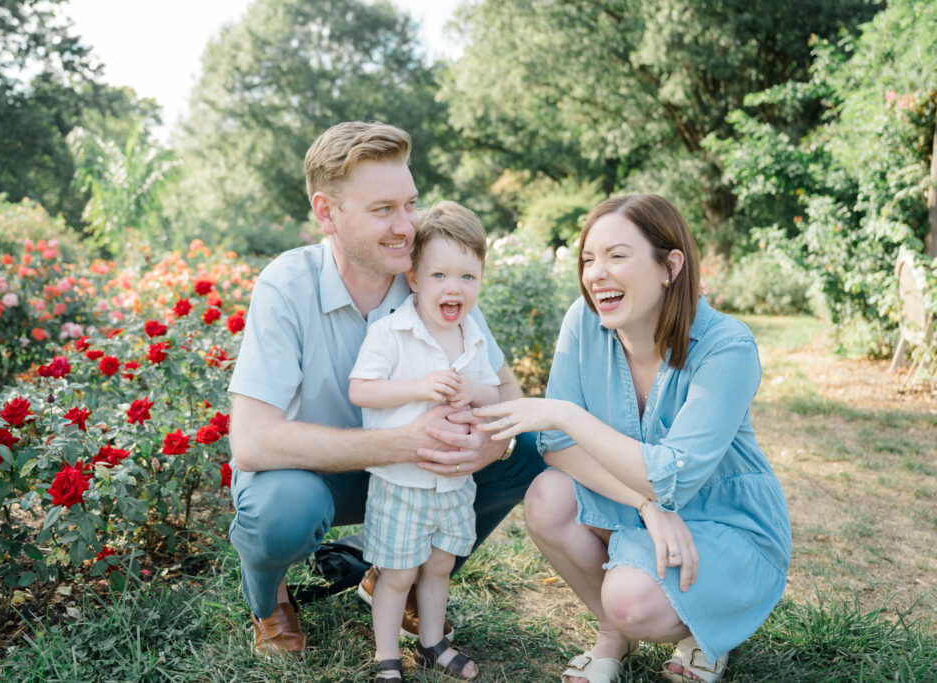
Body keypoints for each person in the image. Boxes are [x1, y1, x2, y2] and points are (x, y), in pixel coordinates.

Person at [226, 121, 544, 661]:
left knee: (527, 453)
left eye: (411, 204)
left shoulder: (431, 276)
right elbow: (253, 443)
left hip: (413, 475)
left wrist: (490, 443)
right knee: (282, 510)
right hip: (311, 476)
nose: (407, 227)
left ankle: (403, 574)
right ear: (326, 212)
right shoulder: (286, 285)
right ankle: (270, 600)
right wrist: (406, 442)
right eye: (383, 211)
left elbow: (508, 395)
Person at [476, 194, 791, 683]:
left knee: (631, 599)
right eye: (588, 259)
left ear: (670, 266)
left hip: (726, 524)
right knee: (546, 497)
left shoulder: (728, 346)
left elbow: (672, 476)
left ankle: (705, 632)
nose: (596, 274)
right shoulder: (583, 323)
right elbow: (556, 450)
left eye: (616, 256)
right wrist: (648, 509)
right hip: (644, 512)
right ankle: (611, 637)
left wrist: (563, 413)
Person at [349, 201, 497, 682]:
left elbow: (493, 391)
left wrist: (475, 391)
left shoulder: (472, 335)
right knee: (397, 576)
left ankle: (433, 641)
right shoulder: (392, 332)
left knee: (438, 568)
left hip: (453, 485)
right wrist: (418, 388)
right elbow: (362, 389)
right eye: (439, 275)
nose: (453, 288)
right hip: (401, 483)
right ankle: (386, 657)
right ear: (414, 278)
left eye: (467, 277)